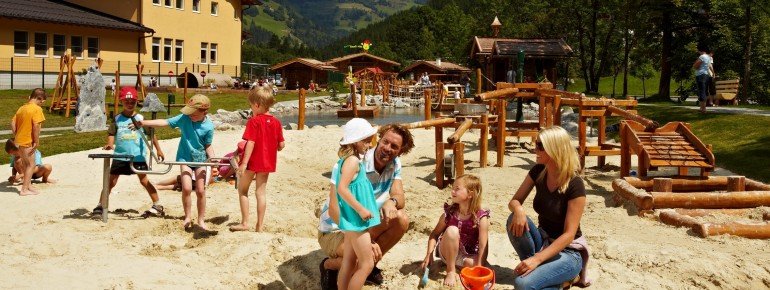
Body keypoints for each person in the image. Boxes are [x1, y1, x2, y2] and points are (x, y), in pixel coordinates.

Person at [318, 123, 415, 289]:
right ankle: (329, 265)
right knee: (362, 261)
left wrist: (391, 202)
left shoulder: (394, 164)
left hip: (360, 224)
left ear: (401, 151)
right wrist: (358, 237)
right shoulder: (354, 162)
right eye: (385, 142)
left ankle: (360, 267)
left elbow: (400, 197)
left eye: (394, 146)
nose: (387, 148)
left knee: (401, 219)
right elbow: (335, 207)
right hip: (337, 227)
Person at [506, 126, 591, 290]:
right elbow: (515, 201)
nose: (534, 149)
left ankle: (564, 278)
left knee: (521, 284)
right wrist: (518, 210)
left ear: (554, 149)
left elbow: (569, 235)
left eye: (539, 146)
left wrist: (536, 259)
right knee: (513, 220)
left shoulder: (575, 184)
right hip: (543, 243)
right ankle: (548, 277)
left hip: (568, 253)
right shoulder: (538, 171)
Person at [135, 94, 215, 230]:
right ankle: (188, 217)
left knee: (201, 190)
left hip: (200, 160)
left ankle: (201, 220)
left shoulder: (208, 126)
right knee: (187, 188)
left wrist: (213, 162)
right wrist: (144, 123)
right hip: (184, 158)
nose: (190, 115)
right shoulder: (184, 119)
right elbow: (165, 122)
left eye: (193, 113)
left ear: (204, 112)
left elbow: (208, 145)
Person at [93, 87, 166, 217]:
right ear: (121, 101)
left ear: (136, 102)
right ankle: (100, 205)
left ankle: (157, 204)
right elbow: (111, 133)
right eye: (126, 101)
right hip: (120, 156)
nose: (129, 104)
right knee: (110, 182)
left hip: (137, 156)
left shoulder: (141, 119)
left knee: (144, 181)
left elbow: (152, 135)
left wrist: (159, 150)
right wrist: (110, 144)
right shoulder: (117, 119)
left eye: (132, 101)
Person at [332, 118, 381, 290]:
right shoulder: (352, 161)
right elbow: (342, 189)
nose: (369, 145)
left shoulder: (347, 161)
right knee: (366, 264)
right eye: (366, 141)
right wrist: (361, 209)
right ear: (354, 141)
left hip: (351, 220)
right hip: (357, 221)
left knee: (349, 261)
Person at [230, 86, 285, 232]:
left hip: (253, 162)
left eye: (251, 105)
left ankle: (245, 223)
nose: (251, 108)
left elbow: (251, 143)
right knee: (261, 193)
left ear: (257, 105)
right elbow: (281, 145)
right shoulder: (276, 123)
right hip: (267, 163)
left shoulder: (254, 122)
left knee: (243, 190)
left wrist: (244, 163)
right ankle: (259, 226)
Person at [421, 174, 490, 287]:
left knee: (479, 267)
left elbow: (483, 245)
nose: (452, 191)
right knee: (452, 230)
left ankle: (460, 266)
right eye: (452, 188)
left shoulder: (481, 217)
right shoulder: (450, 213)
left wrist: (479, 267)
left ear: (470, 194)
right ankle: (451, 271)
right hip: (447, 252)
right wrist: (429, 254)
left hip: (468, 254)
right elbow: (435, 234)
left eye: (457, 189)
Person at [11, 88, 47, 196]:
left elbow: (12, 122)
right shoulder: (36, 109)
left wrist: (16, 134)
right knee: (31, 164)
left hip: (20, 140)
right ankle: (24, 189)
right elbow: (36, 125)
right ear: (39, 98)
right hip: (28, 140)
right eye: (42, 102)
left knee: (26, 164)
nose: (41, 104)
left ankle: (28, 185)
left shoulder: (21, 108)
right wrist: (36, 141)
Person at [693, 46, 713, 113]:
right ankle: (702, 108)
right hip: (706, 75)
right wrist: (713, 73)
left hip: (701, 75)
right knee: (704, 91)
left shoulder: (702, 57)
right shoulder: (708, 57)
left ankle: (703, 109)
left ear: (701, 50)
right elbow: (710, 66)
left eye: (698, 51)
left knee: (702, 91)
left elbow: (695, 65)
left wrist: (694, 65)